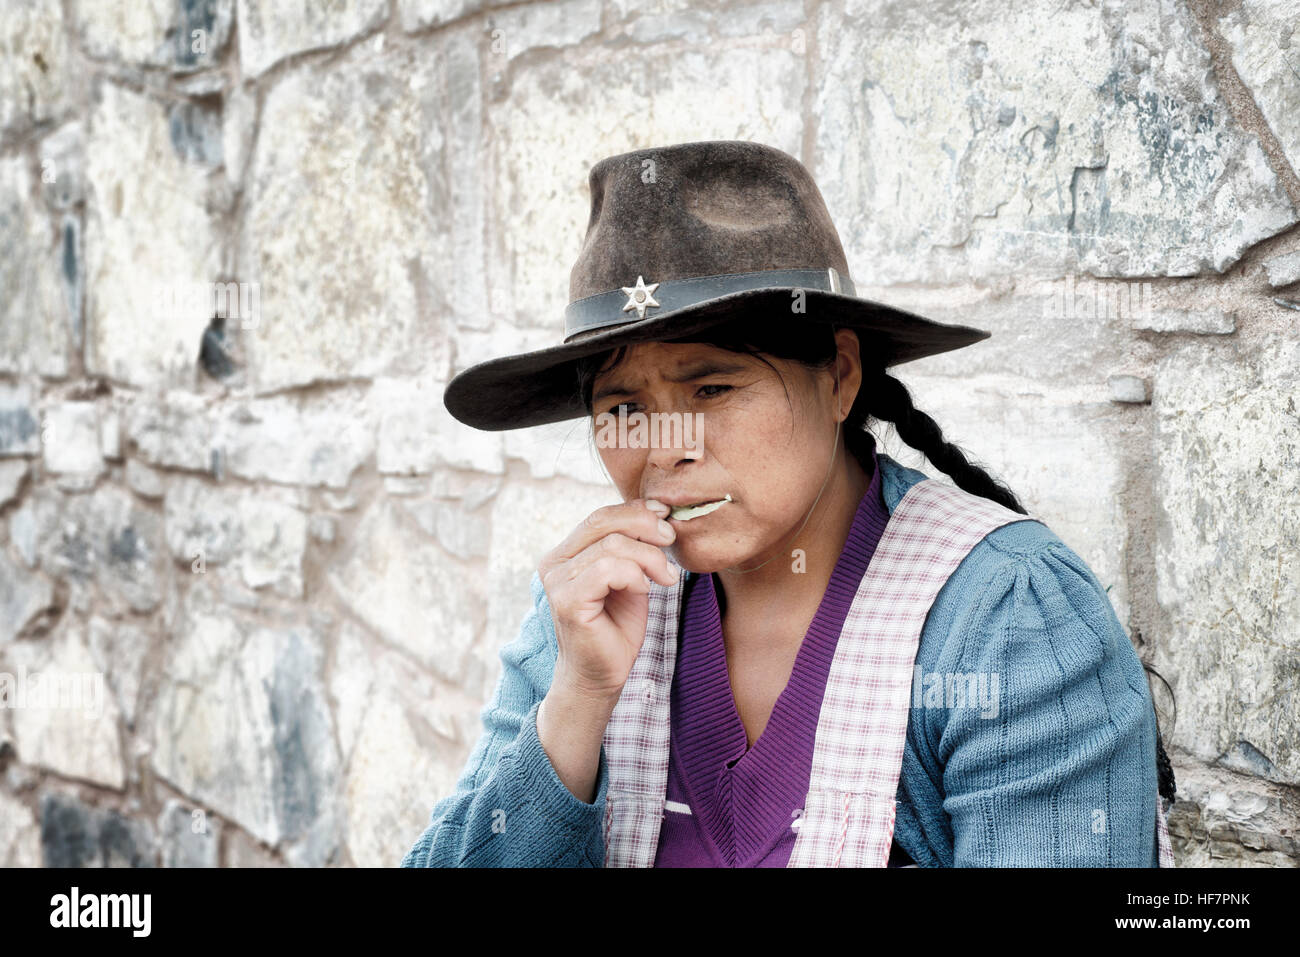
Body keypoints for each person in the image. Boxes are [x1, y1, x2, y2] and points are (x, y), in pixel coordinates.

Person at [401, 140, 1175, 867]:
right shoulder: (586, 618)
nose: (663, 447)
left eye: (712, 387)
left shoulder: (1008, 621)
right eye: (624, 407)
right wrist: (578, 700)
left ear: (838, 375)